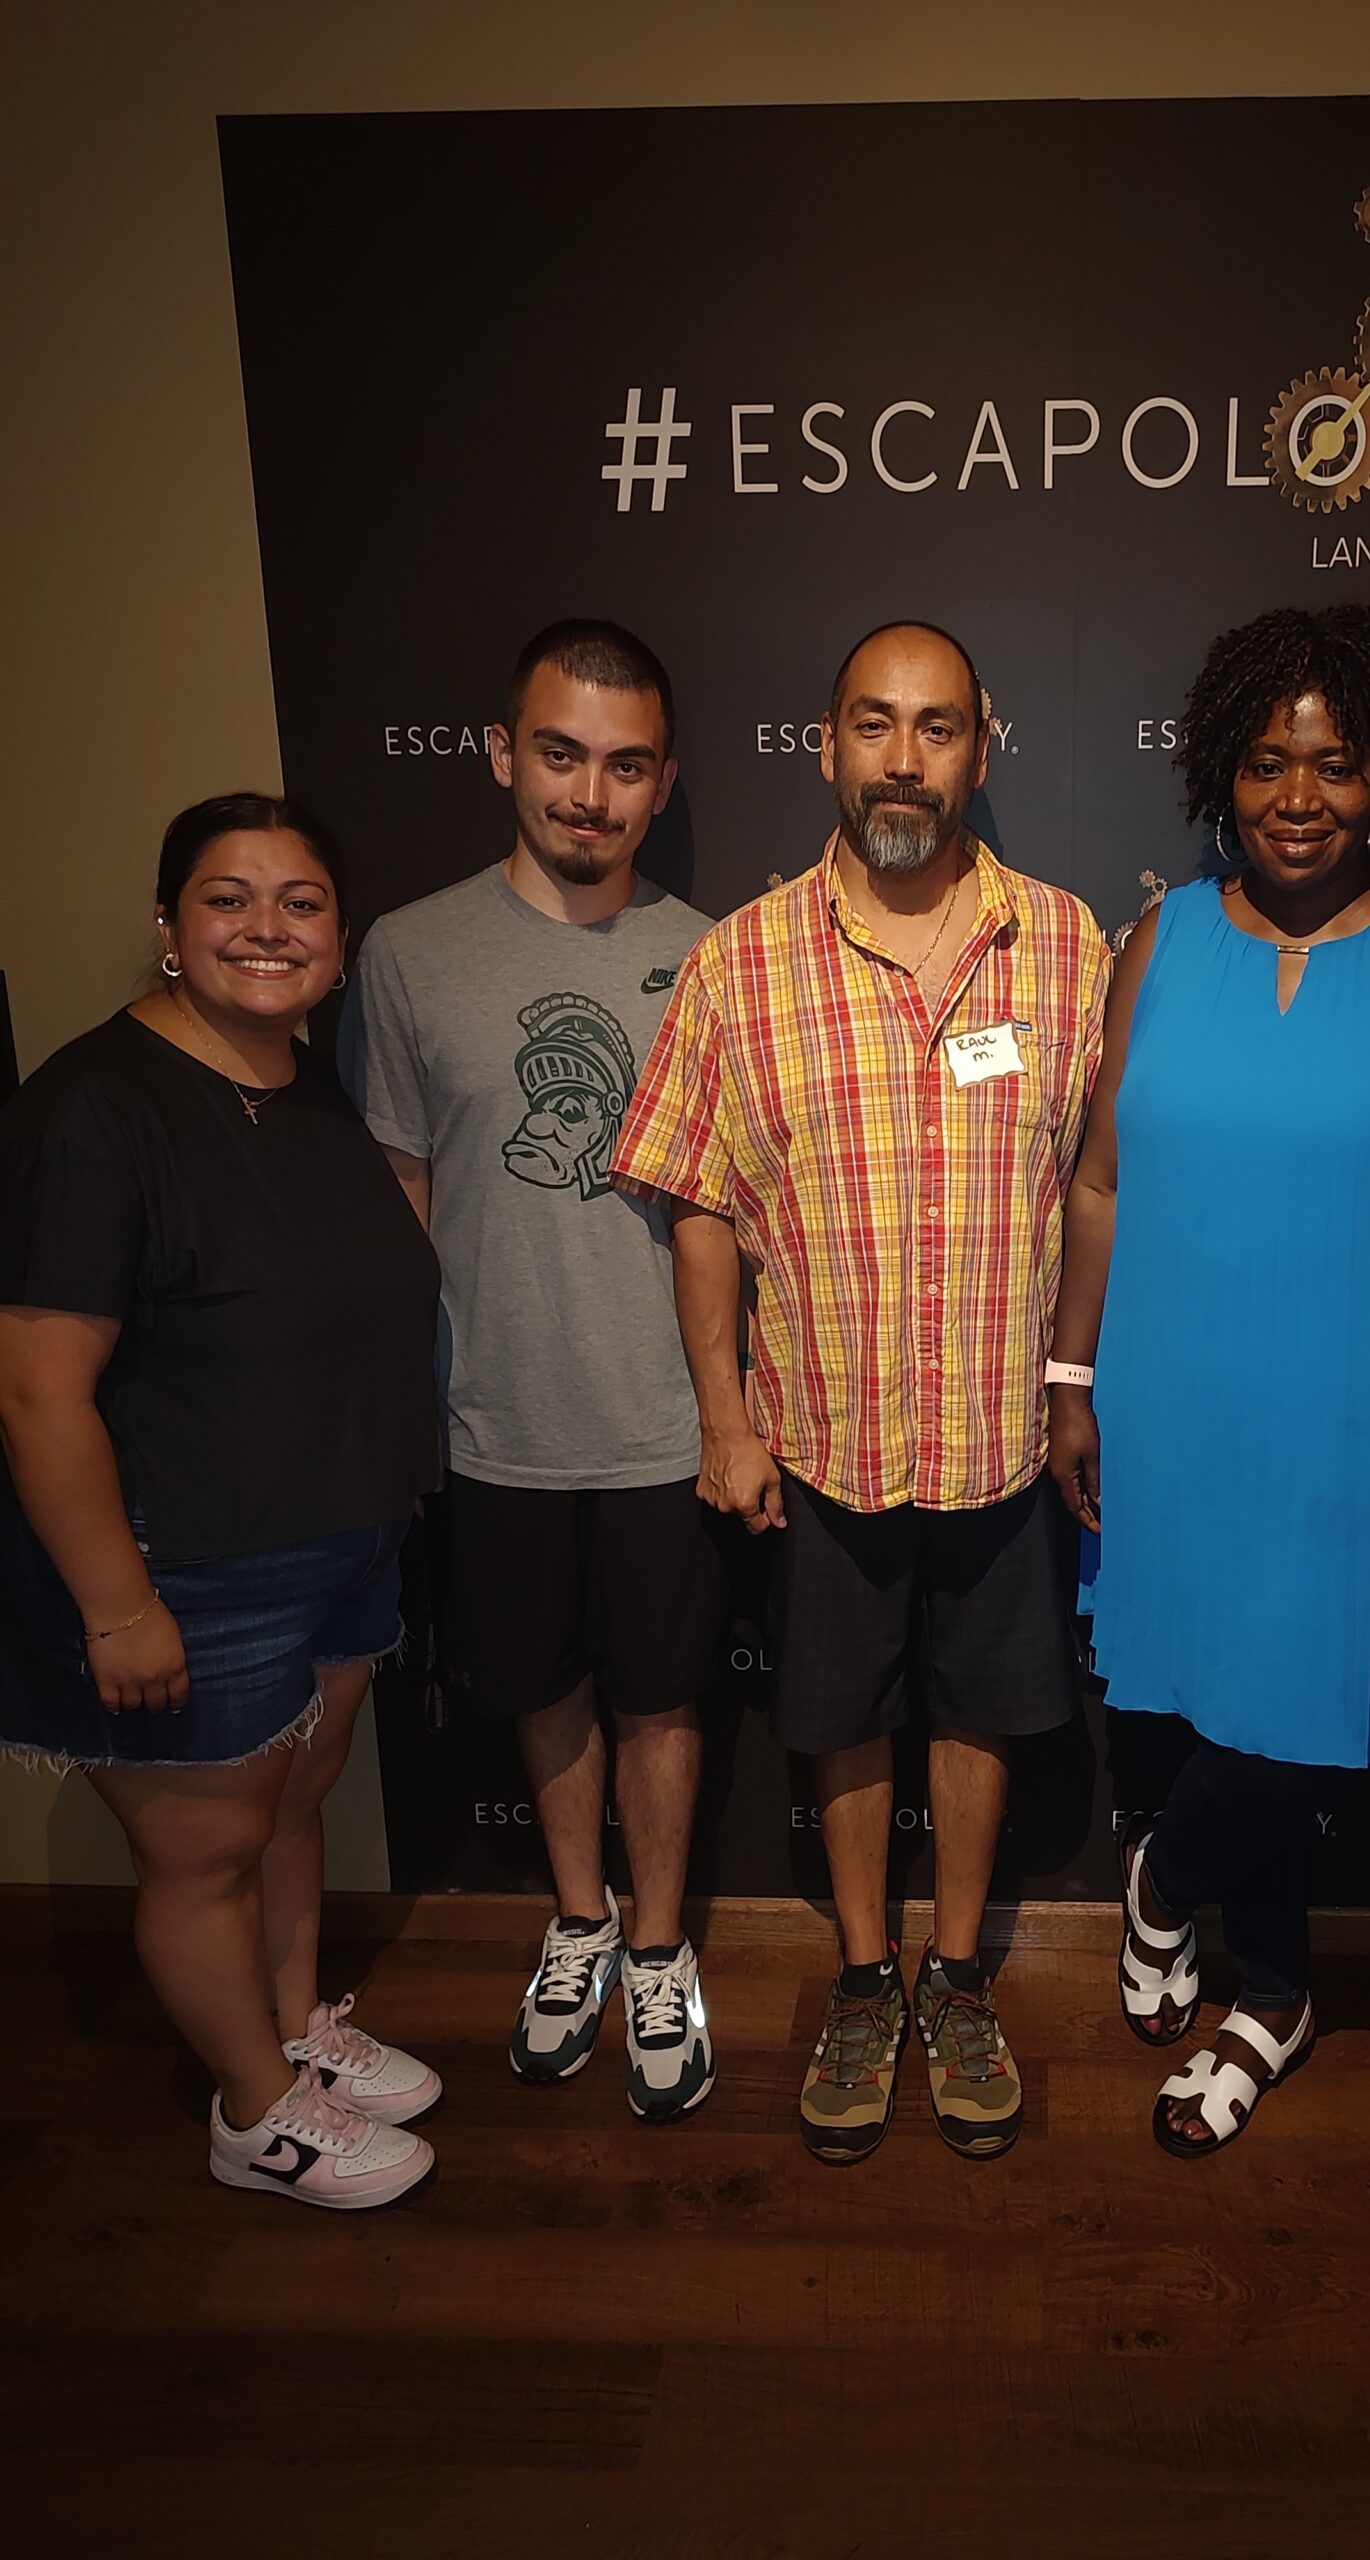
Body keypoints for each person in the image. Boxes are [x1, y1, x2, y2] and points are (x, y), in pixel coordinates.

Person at [612, 620, 1109, 2164]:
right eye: (875, 726)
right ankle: (860, 1975)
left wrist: (1078, 1382)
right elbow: (698, 1200)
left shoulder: (1071, 946)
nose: (906, 760)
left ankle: (957, 1978)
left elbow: (1103, 1186)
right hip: (820, 1436)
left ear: (984, 744)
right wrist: (724, 1415)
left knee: (978, 1714)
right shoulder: (741, 962)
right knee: (838, 1722)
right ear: (824, 744)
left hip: (997, 1441)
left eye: (939, 728)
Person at [1051, 603, 1370, 2156]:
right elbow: (1103, 1180)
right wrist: (1072, 1376)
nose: (1299, 795)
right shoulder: (1163, 939)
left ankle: (1163, 1880)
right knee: (1221, 1704)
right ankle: (1273, 1993)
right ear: (1223, 773)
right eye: (1267, 762)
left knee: (1295, 1718)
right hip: (1179, 1403)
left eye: (1332, 762)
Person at [0, 795, 441, 2209]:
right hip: (183, 1562)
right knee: (203, 1857)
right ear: (169, 925)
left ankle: (295, 2035)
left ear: (339, 935)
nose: (267, 928)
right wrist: (116, 1606)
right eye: (228, 899)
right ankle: (255, 2117)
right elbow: (35, 1393)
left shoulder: (303, 1081)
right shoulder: (90, 1111)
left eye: (301, 902)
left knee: (293, 1807)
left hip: (335, 1533)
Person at [339, 621, 728, 2119]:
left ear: (662, 781)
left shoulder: (705, 956)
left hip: (668, 1424)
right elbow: (400, 1200)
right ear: (504, 755)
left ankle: (660, 1947)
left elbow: (728, 1210)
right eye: (561, 755)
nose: (590, 793)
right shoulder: (408, 952)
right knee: (545, 1689)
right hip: (492, 1424)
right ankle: (578, 1920)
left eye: (625, 766)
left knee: (665, 1699)